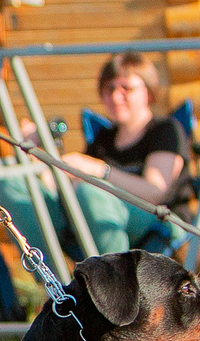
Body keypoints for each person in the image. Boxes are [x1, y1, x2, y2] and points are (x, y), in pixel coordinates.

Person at [63, 51, 188, 255]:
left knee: (90, 192)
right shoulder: (103, 138)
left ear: (148, 92)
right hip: (104, 220)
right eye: (109, 89)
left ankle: (115, 274)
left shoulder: (165, 130)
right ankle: (49, 270)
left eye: (126, 88)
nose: (115, 97)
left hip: (158, 221)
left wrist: (101, 170)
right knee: (23, 187)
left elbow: (155, 192)